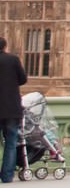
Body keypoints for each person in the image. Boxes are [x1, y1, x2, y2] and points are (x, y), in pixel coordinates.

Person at [0, 36, 26, 185]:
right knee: (10, 143)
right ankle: (7, 176)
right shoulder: (13, 59)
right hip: (11, 108)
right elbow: (23, 79)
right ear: (5, 46)